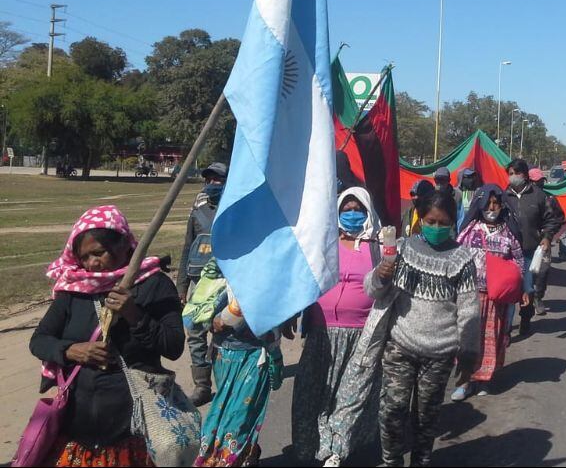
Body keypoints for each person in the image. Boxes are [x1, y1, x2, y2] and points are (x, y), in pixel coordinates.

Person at [30, 205, 184, 466]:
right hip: (78, 430)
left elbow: (173, 346)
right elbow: (40, 340)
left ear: (124, 244)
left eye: (98, 253)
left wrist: (134, 314)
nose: (91, 263)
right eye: (84, 257)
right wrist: (70, 350)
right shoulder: (75, 288)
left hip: (133, 431)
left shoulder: (154, 284)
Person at [367, 191, 480, 467]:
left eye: (444, 223)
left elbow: (469, 309)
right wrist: (380, 275)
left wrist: (468, 352)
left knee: (426, 416)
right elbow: (373, 290)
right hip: (400, 347)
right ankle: (391, 460)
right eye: (431, 221)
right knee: (392, 409)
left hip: (439, 353)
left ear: (453, 223)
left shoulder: (462, 258)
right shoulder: (402, 249)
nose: (437, 228)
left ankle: (421, 461)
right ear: (421, 219)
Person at [292, 187, 383, 467]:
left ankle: (337, 450)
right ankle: (310, 446)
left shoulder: (378, 248)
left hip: (361, 336)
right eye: (347, 209)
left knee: (350, 395)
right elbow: (303, 278)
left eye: (358, 210)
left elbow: (387, 291)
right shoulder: (324, 242)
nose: (352, 214)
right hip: (322, 335)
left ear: (368, 214)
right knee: (312, 392)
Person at [194, 265, 291, 467]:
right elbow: (198, 310)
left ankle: (224, 461)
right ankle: (249, 453)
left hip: (256, 355)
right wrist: (212, 321)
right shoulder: (216, 268)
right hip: (223, 355)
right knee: (227, 412)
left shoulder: (269, 265)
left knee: (237, 419)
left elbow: (282, 301)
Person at [452, 184, 527, 400]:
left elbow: (519, 260)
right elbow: (457, 256)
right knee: (467, 338)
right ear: (480, 205)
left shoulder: (508, 231)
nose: (492, 208)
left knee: (492, 337)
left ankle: (485, 379)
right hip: (471, 294)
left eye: (496, 203)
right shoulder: (470, 230)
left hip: (497, 298)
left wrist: (519, 285)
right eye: (488, 204)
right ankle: (465, 382)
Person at [177, 161, 228, 407]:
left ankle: (227, 383)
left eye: (217, 179)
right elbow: (188, 246)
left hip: (225, 283)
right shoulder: (196, 209)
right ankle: (202, 386)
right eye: (208, 179)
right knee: (195, 333)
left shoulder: (234, 209)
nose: (212, 184)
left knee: (222, 332)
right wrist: (181, 286)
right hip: (198, 283)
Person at [504, 160, 560, 334]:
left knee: (527, 288)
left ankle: (526, 318)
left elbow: (552, 219)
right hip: (508, 253)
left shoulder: (539, 196)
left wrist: (547, 237)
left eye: (516, 173)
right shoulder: (503, 196)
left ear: (525, 174)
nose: (513, 177)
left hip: (530, 250)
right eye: (510, 173)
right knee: (508, 291)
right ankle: (505, 329)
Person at [526, 167, 565, 316]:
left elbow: (559, 217)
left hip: (544, 242)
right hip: (524, 242)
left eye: (541, 181)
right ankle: (525, 300)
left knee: (542, 271)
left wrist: (548, 233)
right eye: (535, 182)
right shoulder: (522, 198)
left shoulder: (549, 199)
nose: (538, 184)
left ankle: (537, 297)